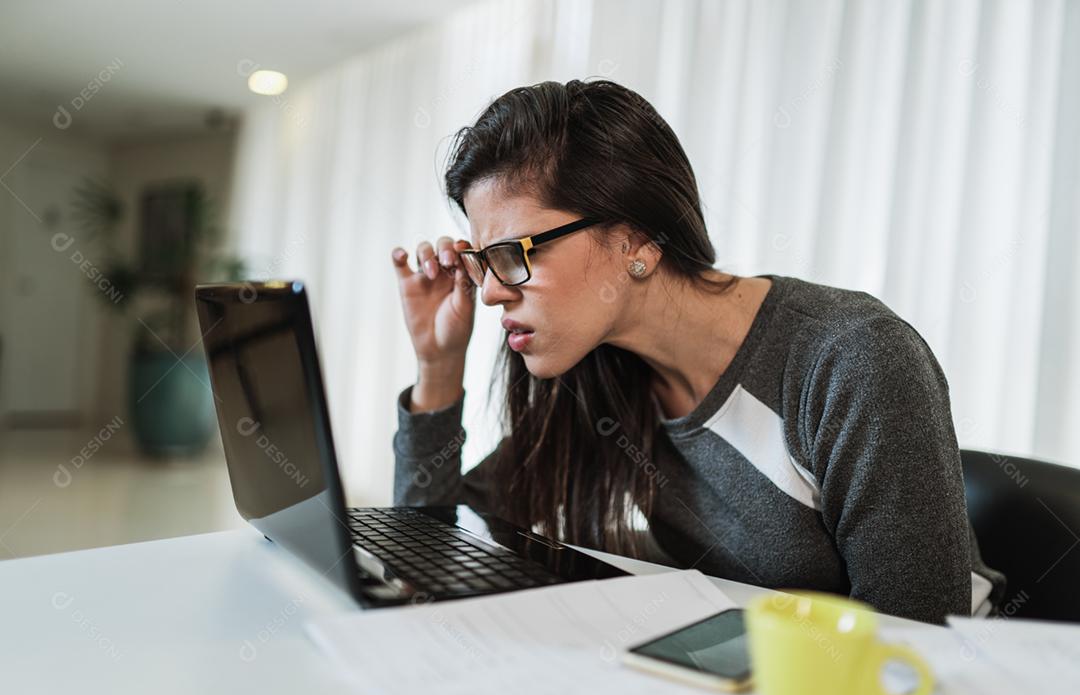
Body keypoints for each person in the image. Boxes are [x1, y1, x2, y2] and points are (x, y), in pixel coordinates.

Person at [388, 79, 1004, 624]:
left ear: (637, 242)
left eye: (513, 255)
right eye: (481, 260)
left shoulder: (850, 358)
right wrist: (437, 367)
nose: (491, 292)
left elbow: (917, 640)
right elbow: (428, 547)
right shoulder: (596, 367)